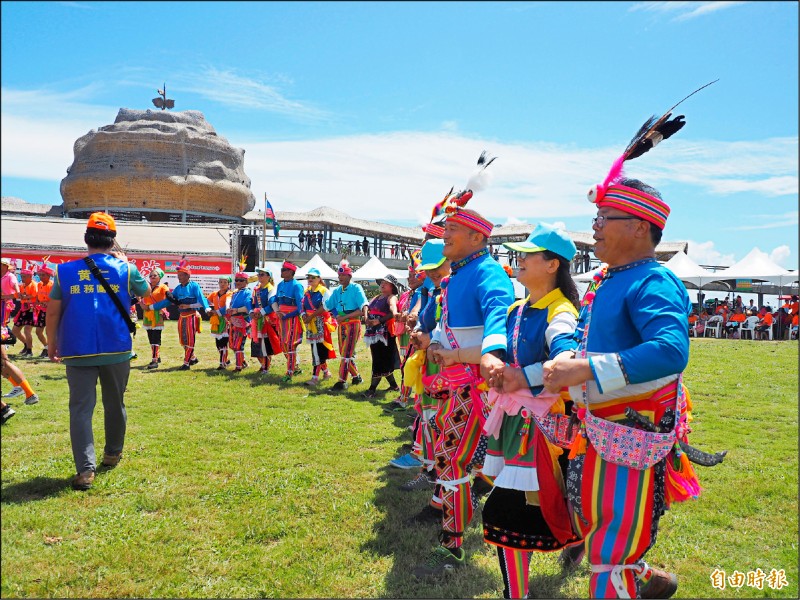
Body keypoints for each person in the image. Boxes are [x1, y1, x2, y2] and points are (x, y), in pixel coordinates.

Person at [542, 177, 700, 598]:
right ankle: (646, 578)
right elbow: (583, 333)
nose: (594, 226)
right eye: (596, 216)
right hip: (601, 429)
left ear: (639, 227)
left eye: (604, 217)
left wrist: (586, 369)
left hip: (630, 431)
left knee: (611, 546)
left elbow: (670, 351)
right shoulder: (610, 278)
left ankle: (630, 577)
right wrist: (563, 350)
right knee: (602, 521)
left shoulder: (653, 280)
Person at [459, 223, 584, 599]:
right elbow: (492, 346)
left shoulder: (560, 309)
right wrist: (483, 360)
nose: (520, 259)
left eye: (528, 254)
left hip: (542, 430)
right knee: (534, 507)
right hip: (513, 422)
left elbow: (564, 348)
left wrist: (527, 374)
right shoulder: (518, 307)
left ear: (551, 265)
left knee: (505, 512)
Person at [413, 206, 515, 579]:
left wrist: (478, 353)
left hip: (476, 388)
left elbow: (497, 322)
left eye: (453, 228)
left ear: (477, 238)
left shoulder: (488, 274)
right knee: (449, 459)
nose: (445, 234)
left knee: (452, 461)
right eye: (446, 228)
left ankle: (452, 547)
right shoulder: (458, 275)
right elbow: (452, 326)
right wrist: (432, 339)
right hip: (456, 385)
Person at [46, 212, 150, 490]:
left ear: (86, 238)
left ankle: (85, 470)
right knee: (115, 402)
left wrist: (51, 342)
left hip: (76, 348)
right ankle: (112, 453)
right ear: (112, 240)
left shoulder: (64, 271)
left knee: (80, 408)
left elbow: (53, 312)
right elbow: (147, 291)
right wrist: (126, 264)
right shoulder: (125, 269)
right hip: (116, 347)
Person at [152, 260, 209, 370]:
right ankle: (192, 358)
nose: (179, 278)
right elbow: (168, 301)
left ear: (187, 276)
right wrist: (153, 307)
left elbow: (201, 298)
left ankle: (186, 363)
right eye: (178, 275)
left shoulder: (194, 286)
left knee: (190, 339)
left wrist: (206, 308)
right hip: (182, 317)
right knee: (183, 340)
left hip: (192, 315)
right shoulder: (178, 288)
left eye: (181, 275)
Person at [324, 260, 368, 391]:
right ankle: (357, 377)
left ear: (349, 275)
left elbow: (362, 307)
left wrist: (345, 316)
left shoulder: (356, 288)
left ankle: (342, 381)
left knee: (346, 352)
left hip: (353, 323)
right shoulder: (337, 290)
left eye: (343, 275)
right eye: (339, 275)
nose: (340, 277)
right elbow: (327, 305)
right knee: (345, 352)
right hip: (342, 324)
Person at [362, 274, 403, 398]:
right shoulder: (376, 297)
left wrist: (379, 321)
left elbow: (392, 309)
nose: (383, 284)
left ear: (392, 287)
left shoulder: (392, 297)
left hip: (384, 334)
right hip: (373, 333)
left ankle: (372, 389)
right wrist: (365, 316)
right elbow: (366, 306)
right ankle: (394, 386)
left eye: (386, 283)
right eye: (382, 282)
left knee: (380, 360)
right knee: (380, 359)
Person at [300, 268, 336, 386]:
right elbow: (302, 305)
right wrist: (304, 315)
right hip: (310, 323)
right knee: (315, 348)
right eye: (308, 277)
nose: (310, 279)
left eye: (313, 277)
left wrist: (311, 316)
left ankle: (315, 377)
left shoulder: (324, 291)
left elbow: (326, 307)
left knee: (318, 350)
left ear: (319, 279)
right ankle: (326, 372)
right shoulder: (306, 292)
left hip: (321, 323)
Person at [272, 261, 305, 382]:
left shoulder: (297, 286)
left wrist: (287, 315)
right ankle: (295, 367)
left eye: (284, 270)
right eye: (281, 270)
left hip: (292, 319)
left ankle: (289, 373)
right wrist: (277, 311)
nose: (281, 272)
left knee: (291, 345)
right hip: (281, 319)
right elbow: (275, 299)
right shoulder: (280, 285)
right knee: (283, 344)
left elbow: (300, 306)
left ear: (291, 272)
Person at [250, 267, 281, 374]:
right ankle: (263, 364)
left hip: (268, 319)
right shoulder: (256, 289)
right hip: (257, 320)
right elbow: (252, 303)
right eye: (259, 274)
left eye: (262, 274)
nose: (260, 276)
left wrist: (262, 312)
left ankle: (266, 367)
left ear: (268, 277)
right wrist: (252, 312)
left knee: (266, 344)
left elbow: (272, 304)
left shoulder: (271, 289)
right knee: (256, 343)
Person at [139, 268, 170, 369]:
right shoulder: (146, 286)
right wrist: (141, 304)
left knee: (156, 337)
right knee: (150, 337)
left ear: (159, 277)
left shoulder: (163, 287)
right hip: (147, 314)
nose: (152, 277)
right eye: (151, 275)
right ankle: (157, 355)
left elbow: (168, 296)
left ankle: (154, 360)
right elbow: (140, 296)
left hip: (157, 314)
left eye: (154, 275)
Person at [227, 272, 253, 372]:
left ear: (246, 282)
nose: (238, 282)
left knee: (238, 345)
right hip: (234, 321)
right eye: (236, 280)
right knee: (233, 344)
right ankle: (243, 362)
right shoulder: (235, 292)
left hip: (243, 321)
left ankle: (239, 367)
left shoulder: (248, 292)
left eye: (241, 280)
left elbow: (248, 307)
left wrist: (236, 310)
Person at [206, 276, 233, 370]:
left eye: (225, 282)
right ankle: (227, 360)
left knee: (223, 342)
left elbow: (227, 305)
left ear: (228, 284)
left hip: (226, 320)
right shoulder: (214, 294)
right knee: (218, 343)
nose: (222, 284)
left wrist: (216, 312)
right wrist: (208, 309)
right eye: (221, 282)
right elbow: (206, 302)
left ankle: (222, 364)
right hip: (216, 321)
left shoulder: (230, 294)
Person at [11, 267, 37, 357]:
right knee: (15, 330)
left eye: (24, 276)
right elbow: (17, 295)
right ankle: (27, 345)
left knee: (27, 330)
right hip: (23, 309)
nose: (22, 278)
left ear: (30, 276)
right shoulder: (22, 286)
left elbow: (34, 296)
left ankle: (30, 351)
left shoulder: (34, 284)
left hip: (31, 309)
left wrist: (24, 296)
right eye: (21, 276)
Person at [32, 265, 54, 357]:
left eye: (43, 275)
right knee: (38, 332)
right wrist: (37, 301)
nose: (41, 277)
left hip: (51, 311)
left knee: (49, 332)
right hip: (41, 311)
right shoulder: (39, 284)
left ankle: (51, 350)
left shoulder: (52, 285)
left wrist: (47, 303)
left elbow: (55, 300)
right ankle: (46, 347)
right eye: (40, 275)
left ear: (49, 276)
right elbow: (38, 296)